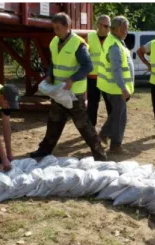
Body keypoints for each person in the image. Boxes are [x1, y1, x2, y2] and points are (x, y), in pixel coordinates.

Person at [29, 13, 106, 161]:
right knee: (53, 122)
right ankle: (44, 150)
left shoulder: (78, 44)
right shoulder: (54, 42)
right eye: (54, 28)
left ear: (67, 27)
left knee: (84, 126)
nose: (55, 31)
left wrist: (72, 79)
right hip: (58, 92)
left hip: (73, 94)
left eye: (58, 28)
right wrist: (50, 75)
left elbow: (88, 66)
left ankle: (99, 154)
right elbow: (53, 62)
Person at [97, 15, 135, 154]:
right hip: (115, 88)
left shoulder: (117, 41)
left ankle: (103, 134)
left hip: (114, 87)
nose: (126, 31)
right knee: (120, 117)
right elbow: (116, 69)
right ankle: (115, 145)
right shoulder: (114, 45)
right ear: (117, 29)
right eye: (124, 29)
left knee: (116, 115)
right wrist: (123, 88)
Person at [87, 15, 113, 127]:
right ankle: (91, 129)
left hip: (107, 78)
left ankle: (111, 128)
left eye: (109, 26)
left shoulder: (113, 39)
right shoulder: (90, 37)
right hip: (93, 78)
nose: (108, 29)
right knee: (92, 105)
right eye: (106, 26)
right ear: (98, 25)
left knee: (110, 105)